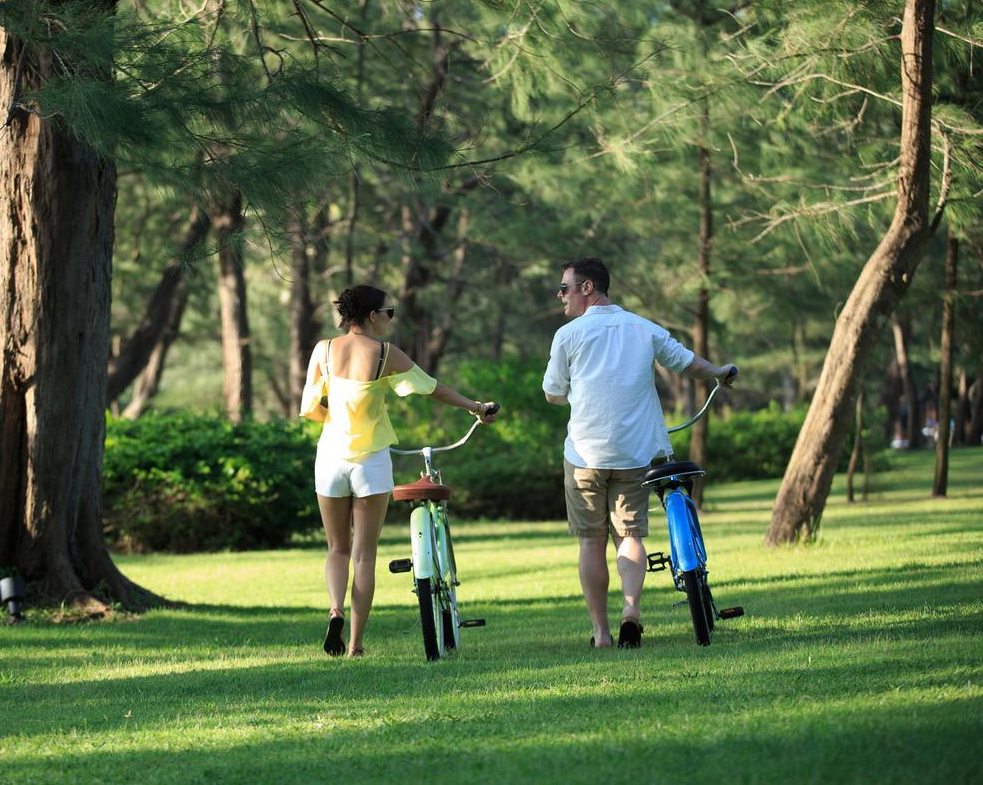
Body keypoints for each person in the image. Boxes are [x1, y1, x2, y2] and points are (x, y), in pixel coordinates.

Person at [541, 257, 736, 649]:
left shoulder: (568, 336)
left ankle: (601, 633)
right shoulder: (643, 328)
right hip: (635, 454)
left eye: (564, 288)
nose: (560, 297)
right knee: (629, 535)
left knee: (590, 542)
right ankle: (632, 611)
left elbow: (551, 393)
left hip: (584, 457)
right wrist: (720, 372)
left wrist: (574, 395)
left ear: (587, 288)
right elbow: (688, 363)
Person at [300, 285, 499, 657]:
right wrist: (475, 407)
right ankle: (356, 645)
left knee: (337, 549)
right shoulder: (384, 354)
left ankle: (335, 609)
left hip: (329, 459)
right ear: (373, 316)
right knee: (364, 555)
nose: (391, 318)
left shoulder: (322, 350)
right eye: (388, 312)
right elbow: (433, 389)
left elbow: (310, 408)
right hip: (371, 462)